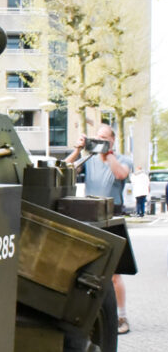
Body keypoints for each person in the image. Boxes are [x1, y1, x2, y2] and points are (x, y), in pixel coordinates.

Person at [65, 123, 132, 333]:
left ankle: (121, 317)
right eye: (98, 137)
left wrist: (107, 154)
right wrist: (78, 149)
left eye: (105, 138)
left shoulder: (122, 159)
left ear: (112, 140)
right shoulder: (89, 159)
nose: (100, 140)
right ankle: (89, 315)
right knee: (86, 270)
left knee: (114, 273)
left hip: (113, 217)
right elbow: (64, 168)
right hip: (90, 216)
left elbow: (120, 174)